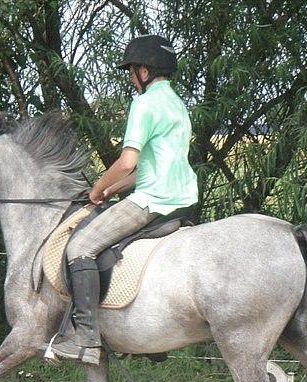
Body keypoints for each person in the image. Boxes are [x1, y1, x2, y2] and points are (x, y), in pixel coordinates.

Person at [50, 34, 199, 365]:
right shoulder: (178, 106)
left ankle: (85, 337)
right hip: (183, 200)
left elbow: (128, 161)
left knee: (80, 247)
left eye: (131, 72)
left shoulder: (144, 104)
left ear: (143, 72)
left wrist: (96, 188)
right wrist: (112, 190)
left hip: (152, 202)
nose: (131, 79)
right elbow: (152, 166)